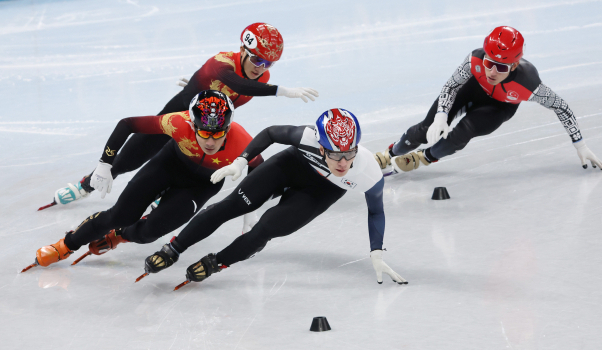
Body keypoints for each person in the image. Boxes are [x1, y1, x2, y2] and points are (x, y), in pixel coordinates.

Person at [49, 22, 319, 207]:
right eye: (258, 60)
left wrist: (196, 86)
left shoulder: (261, 75)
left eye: (269, 63)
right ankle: (87, 184)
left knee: (211, 165)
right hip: (175, 117)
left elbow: (234, 95)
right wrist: (282, 91)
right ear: (243, 51)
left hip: (205, 130)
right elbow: (237, 84)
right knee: (129, 160)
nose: (262, 69)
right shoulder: (222, 62)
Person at [139, 108, 407, 288]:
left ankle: (217, 262)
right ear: (320, 144)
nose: (343, 162)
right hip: (292, 165)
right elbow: (269, 133)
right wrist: (241, 161)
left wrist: (376, 250)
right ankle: (172, 250)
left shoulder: (368, 172)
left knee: (266, 228)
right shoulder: (307, 137)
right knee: (232, 205)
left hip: (320, 192)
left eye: (349, 154)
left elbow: (376, 211)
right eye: (335, 154)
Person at [22, 90, 262, 272]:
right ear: (192, 123)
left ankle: (119, 236)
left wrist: (250, 211)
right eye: (203, 132)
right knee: (120, 215)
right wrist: (105, 164)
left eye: (218, 134)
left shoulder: (242, 141)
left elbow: (260, 172)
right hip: (169, 165)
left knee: (149, 233)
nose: (210, 142)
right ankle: (66, 244)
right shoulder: (178, 122)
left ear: (228, 127)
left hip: (201, 185)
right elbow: (127, 124)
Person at [375, 26, 602, 175]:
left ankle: (420, 159)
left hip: (498, 106)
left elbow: (562, 107)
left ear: (515, 65)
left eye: (501, 67)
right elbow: (452, 85)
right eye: (489, 62)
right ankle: (390, 154)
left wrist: (581, 145)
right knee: (426, 129)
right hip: (470, 90)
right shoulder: (474, 59)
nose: (492, 72)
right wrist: (441, 115)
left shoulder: (529, 84)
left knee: (462, 132)